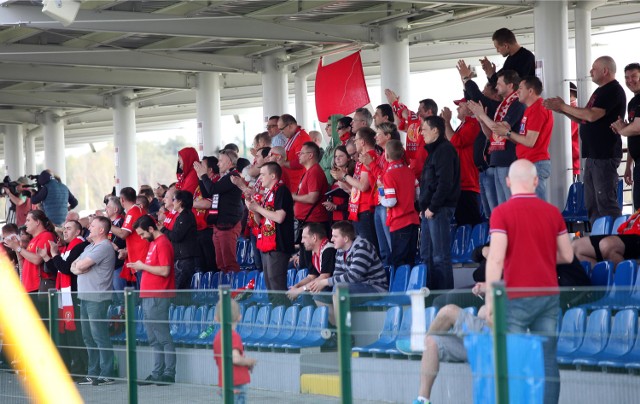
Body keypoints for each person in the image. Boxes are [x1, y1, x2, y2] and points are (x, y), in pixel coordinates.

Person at [486, 159, 574, 404]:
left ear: (507, 182)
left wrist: (491, 302)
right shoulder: (552, 213)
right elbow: (567, 255)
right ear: (536, 182)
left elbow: (494, 260)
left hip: (516, 297)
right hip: (548, 296)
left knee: (512, 359)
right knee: (547, 361)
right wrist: (541, 256)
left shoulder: (501, 213)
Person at [544, 56, 626, 223]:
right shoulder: (600, 91)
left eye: (594, 68)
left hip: (605, 154)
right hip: (594, 156)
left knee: (605, 203)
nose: (590, 72)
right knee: (592, 204)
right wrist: (562, 110)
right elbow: (584, 118)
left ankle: (615, 241)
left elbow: (592, 115)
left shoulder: (613, 90)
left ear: (605, 71)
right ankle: (597, 241)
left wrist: (563, 106)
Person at [308, 221, 388, 325]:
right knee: (319, 295)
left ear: (345, 239)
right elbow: (337, 276)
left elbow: (353, 276)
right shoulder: (340, 250)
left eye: (335, 236)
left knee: (339, 290)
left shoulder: (362, 247)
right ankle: (338, 330)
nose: (331, 239)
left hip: (375, 288)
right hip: (356, 287)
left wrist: (324, 282)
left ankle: (343, 334)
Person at [129, 215, 177, 386]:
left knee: (162, 336)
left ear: (151, 229)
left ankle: (169, 373)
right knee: (153, 338)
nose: (141, 238)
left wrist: (142, 266)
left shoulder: (163, 243)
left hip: (158, 296)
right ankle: (157, 372)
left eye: (142, 234)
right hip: (148, 295)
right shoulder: (154, 243)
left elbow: (165, 270)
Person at [39, 219, 89, 379]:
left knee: (77, 334)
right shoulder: (68, 246)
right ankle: (71, 367)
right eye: (64, 228)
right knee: (68, 333)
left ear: (78, 232)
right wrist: (48, 257)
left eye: (69, 229)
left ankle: (81, 368)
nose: (65, 231)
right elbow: (58, 269)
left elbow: (66, 268)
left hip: (74, 295)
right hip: (65, 296)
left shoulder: (80, 245)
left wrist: (54, 254)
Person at [468, 70, 525, 206]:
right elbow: (491, 136)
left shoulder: (516, 103)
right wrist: (481, 120)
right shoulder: (502, 105)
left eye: (499, 83)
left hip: (509, 161)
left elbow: (501, 129)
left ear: (510, 85)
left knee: (511, 207)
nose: (496, 86)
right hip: (497, 161)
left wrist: (483, 115)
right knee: (501, 209)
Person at [72, 216, 117, 386]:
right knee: (88, 337)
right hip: (85, 297)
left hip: (97, 297)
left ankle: (107, 373)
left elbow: (81, 266)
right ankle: (93, 372)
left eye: (92, 225)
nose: (89, 227)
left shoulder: (104, 247)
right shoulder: (91, 246)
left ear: (101, 230)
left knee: (99, 336)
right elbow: (74, 265)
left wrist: (80, 267)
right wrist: (79, 267)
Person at [492, 76, 553, 200]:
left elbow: (530, 142)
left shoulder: (538, 108)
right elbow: (522, 139)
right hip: (529, 163)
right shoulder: (530, 109)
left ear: (530, 91)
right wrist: (504, 133)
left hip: (536, 163)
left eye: (520, 88)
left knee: (536, 209)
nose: (517, 91)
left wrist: (508, 133)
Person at [413, 305, 489, 404]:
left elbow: (486, 312)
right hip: (479, 341)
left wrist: (488, 306)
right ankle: (422, 400)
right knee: (430, 342)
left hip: (497, 337)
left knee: (448, 311)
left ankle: (419, 344)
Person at [419, 116, 460, 290]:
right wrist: (423, 208)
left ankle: (444, 298)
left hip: (439, 209)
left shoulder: (445, 150)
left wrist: (432, 207)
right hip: (430, 210)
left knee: (439, 256)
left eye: (424, 129)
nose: (421, 133)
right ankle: (430, 296)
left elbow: (444, 182)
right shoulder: (434, 151)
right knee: (426, 255)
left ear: (436, 130)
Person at [245, 162, 294, 304]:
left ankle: (283, 315)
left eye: (262, 174)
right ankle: (276, 313)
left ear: (273, 176)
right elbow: (260, 219)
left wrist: (258, 209)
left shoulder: (281, 190)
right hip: (267, 242)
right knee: (269, 282)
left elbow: (279, 217)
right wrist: (253, 208)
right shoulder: (267, 193)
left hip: (279, 243)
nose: (260, 178)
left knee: (276, 282)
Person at [195, 149, 244, 273]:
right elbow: (207, 192)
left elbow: (212, 189)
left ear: (229, 162)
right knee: (221, 264)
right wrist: (200, 178)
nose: (218, 164)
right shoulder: (224, 177)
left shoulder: (233, 176)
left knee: (229, 263)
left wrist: (204, 175)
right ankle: (225, 290)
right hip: (219, 224)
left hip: (228, 225)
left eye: (220, 160)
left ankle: (233, 291)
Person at [4, 210, 57, 315]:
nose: (25, 223)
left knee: (42, 323)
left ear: (37, 222)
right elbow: (24, 264)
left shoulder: (46, 236)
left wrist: (18, 248)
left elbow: (37, 259)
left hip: (38, 288)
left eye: (28, 220)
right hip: (30, 287)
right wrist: (16, 248)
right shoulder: (33, 240)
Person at [442, 99, 483, 225]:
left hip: (468, 182)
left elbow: (456, 141)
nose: (457, 109)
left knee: (469, 222)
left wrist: (446, 123)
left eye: (460, 106)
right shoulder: (464, 125)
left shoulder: (474, 124)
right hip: (460, 182)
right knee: (461, 222)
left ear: (470, 108)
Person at [336, 127, 378, 250]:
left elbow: (363, 186)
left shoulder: (369, 157)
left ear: (362, 142)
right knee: (361, 248)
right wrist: (343, 180)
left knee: (368, 248)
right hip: (357, 208)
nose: (355, 143)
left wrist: (344, 176)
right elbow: (356, 189)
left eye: (356, 140)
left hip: (365, 209)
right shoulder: (362, 159)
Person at [380, 139, 420, 267]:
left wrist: (381, 199)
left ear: (386, 155)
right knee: (411, 259)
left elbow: (391, 201)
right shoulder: (410, 172)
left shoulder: (388, 175)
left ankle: (401, 287)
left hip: (399, 222)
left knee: (398, 261)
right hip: (413, 220)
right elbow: (417, 195)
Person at [293, 141, 329, 269]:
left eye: (301, 153)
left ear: (310, 155)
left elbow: (313, 197)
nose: (299, 155)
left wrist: (293, 196)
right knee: (305, 262)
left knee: (310, 264)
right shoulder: (309, 171)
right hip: (307, 221)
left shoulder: (314, 172)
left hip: (315, 221)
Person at [385, 89, 437, 179]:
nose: (417, 113)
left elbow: (406, 114)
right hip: (414, 174)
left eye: (420, 111)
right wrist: (393, 106)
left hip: (428, 176)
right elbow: (399, 123)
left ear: (429, 112)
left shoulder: (435, 127)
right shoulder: (417, 127)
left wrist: (395, 103)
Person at [212, 299, 256, 402]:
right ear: (239, 317)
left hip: (224, 382)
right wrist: (249, 361)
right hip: (237, 384)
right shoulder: (233, 336)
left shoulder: (218, 337)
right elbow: (235, 359)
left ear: (216, 319)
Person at [286, 223, 336, 303]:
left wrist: (301, 289)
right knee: (306, 293)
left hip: (335, 286)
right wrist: (296, 287)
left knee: (314, 292)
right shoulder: (312, 252)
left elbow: (324, 277)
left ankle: (327, 315)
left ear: (314, 238)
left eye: (304, 237)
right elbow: (311, 277)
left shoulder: (329, 250)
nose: (302, 241)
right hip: (327, 285)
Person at [613, 63, 640, 209]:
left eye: (634, 76)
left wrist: (620, 129)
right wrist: (628, 165)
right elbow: (632, 135)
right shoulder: (633, 103)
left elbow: (636, 128)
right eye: (627, 77)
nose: (630, 80)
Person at [110, 187, 149, 286]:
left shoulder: (132, 212)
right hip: (140, 256)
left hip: (139, 257)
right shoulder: (139, 209)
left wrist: (107, 224)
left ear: (122, 200)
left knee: (142, 294)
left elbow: (123, 234)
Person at [573, 208, 640, 265]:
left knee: (607, 245)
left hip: (637, 237)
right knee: (575, 248)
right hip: (627, 234)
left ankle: (626, 276)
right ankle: (604, 276)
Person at [160, 190, 198, 290]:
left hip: (185, 259)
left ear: (180, 202)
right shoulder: (181, 216)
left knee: (180, 291)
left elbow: (177, 236)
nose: (172, 202)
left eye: (174, 199)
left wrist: (163, 229)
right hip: (181, 258)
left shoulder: (186, 216)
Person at [279, 114, 311, 190]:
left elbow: (301, 162)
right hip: (289, 182)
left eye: (282, 129)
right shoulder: (293, 137)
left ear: (290, 126)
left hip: (296, 184)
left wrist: (282, 163)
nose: (281, 132)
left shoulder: (301, 138)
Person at [323, 146, 354, 223]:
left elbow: (354, 198)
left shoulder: (352, 176)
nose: (337, 158)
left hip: (348, 218)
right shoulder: (334, 178)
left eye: (341, 156)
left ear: (348, 158)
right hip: (334, 218)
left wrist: (336, 207)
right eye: (335, 156)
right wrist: (329, 205)